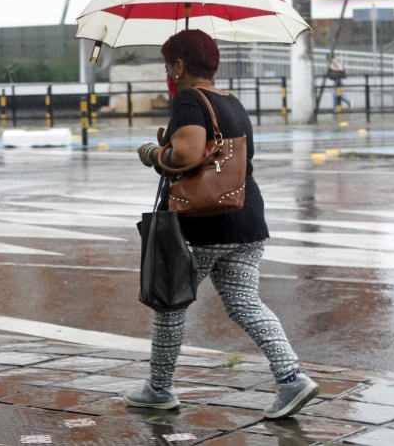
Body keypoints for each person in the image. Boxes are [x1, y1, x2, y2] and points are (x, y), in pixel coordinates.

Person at [128, 29, 319, 419]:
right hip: (246, 221)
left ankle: (159, 389)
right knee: (246, 303)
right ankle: (291, 378)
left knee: (170, 303)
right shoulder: (231, 101)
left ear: (178, 66)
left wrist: (153, 153)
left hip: (203, 225)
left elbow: (186, 155)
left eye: (168, 65)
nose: (168, 73)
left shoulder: (188, 99)